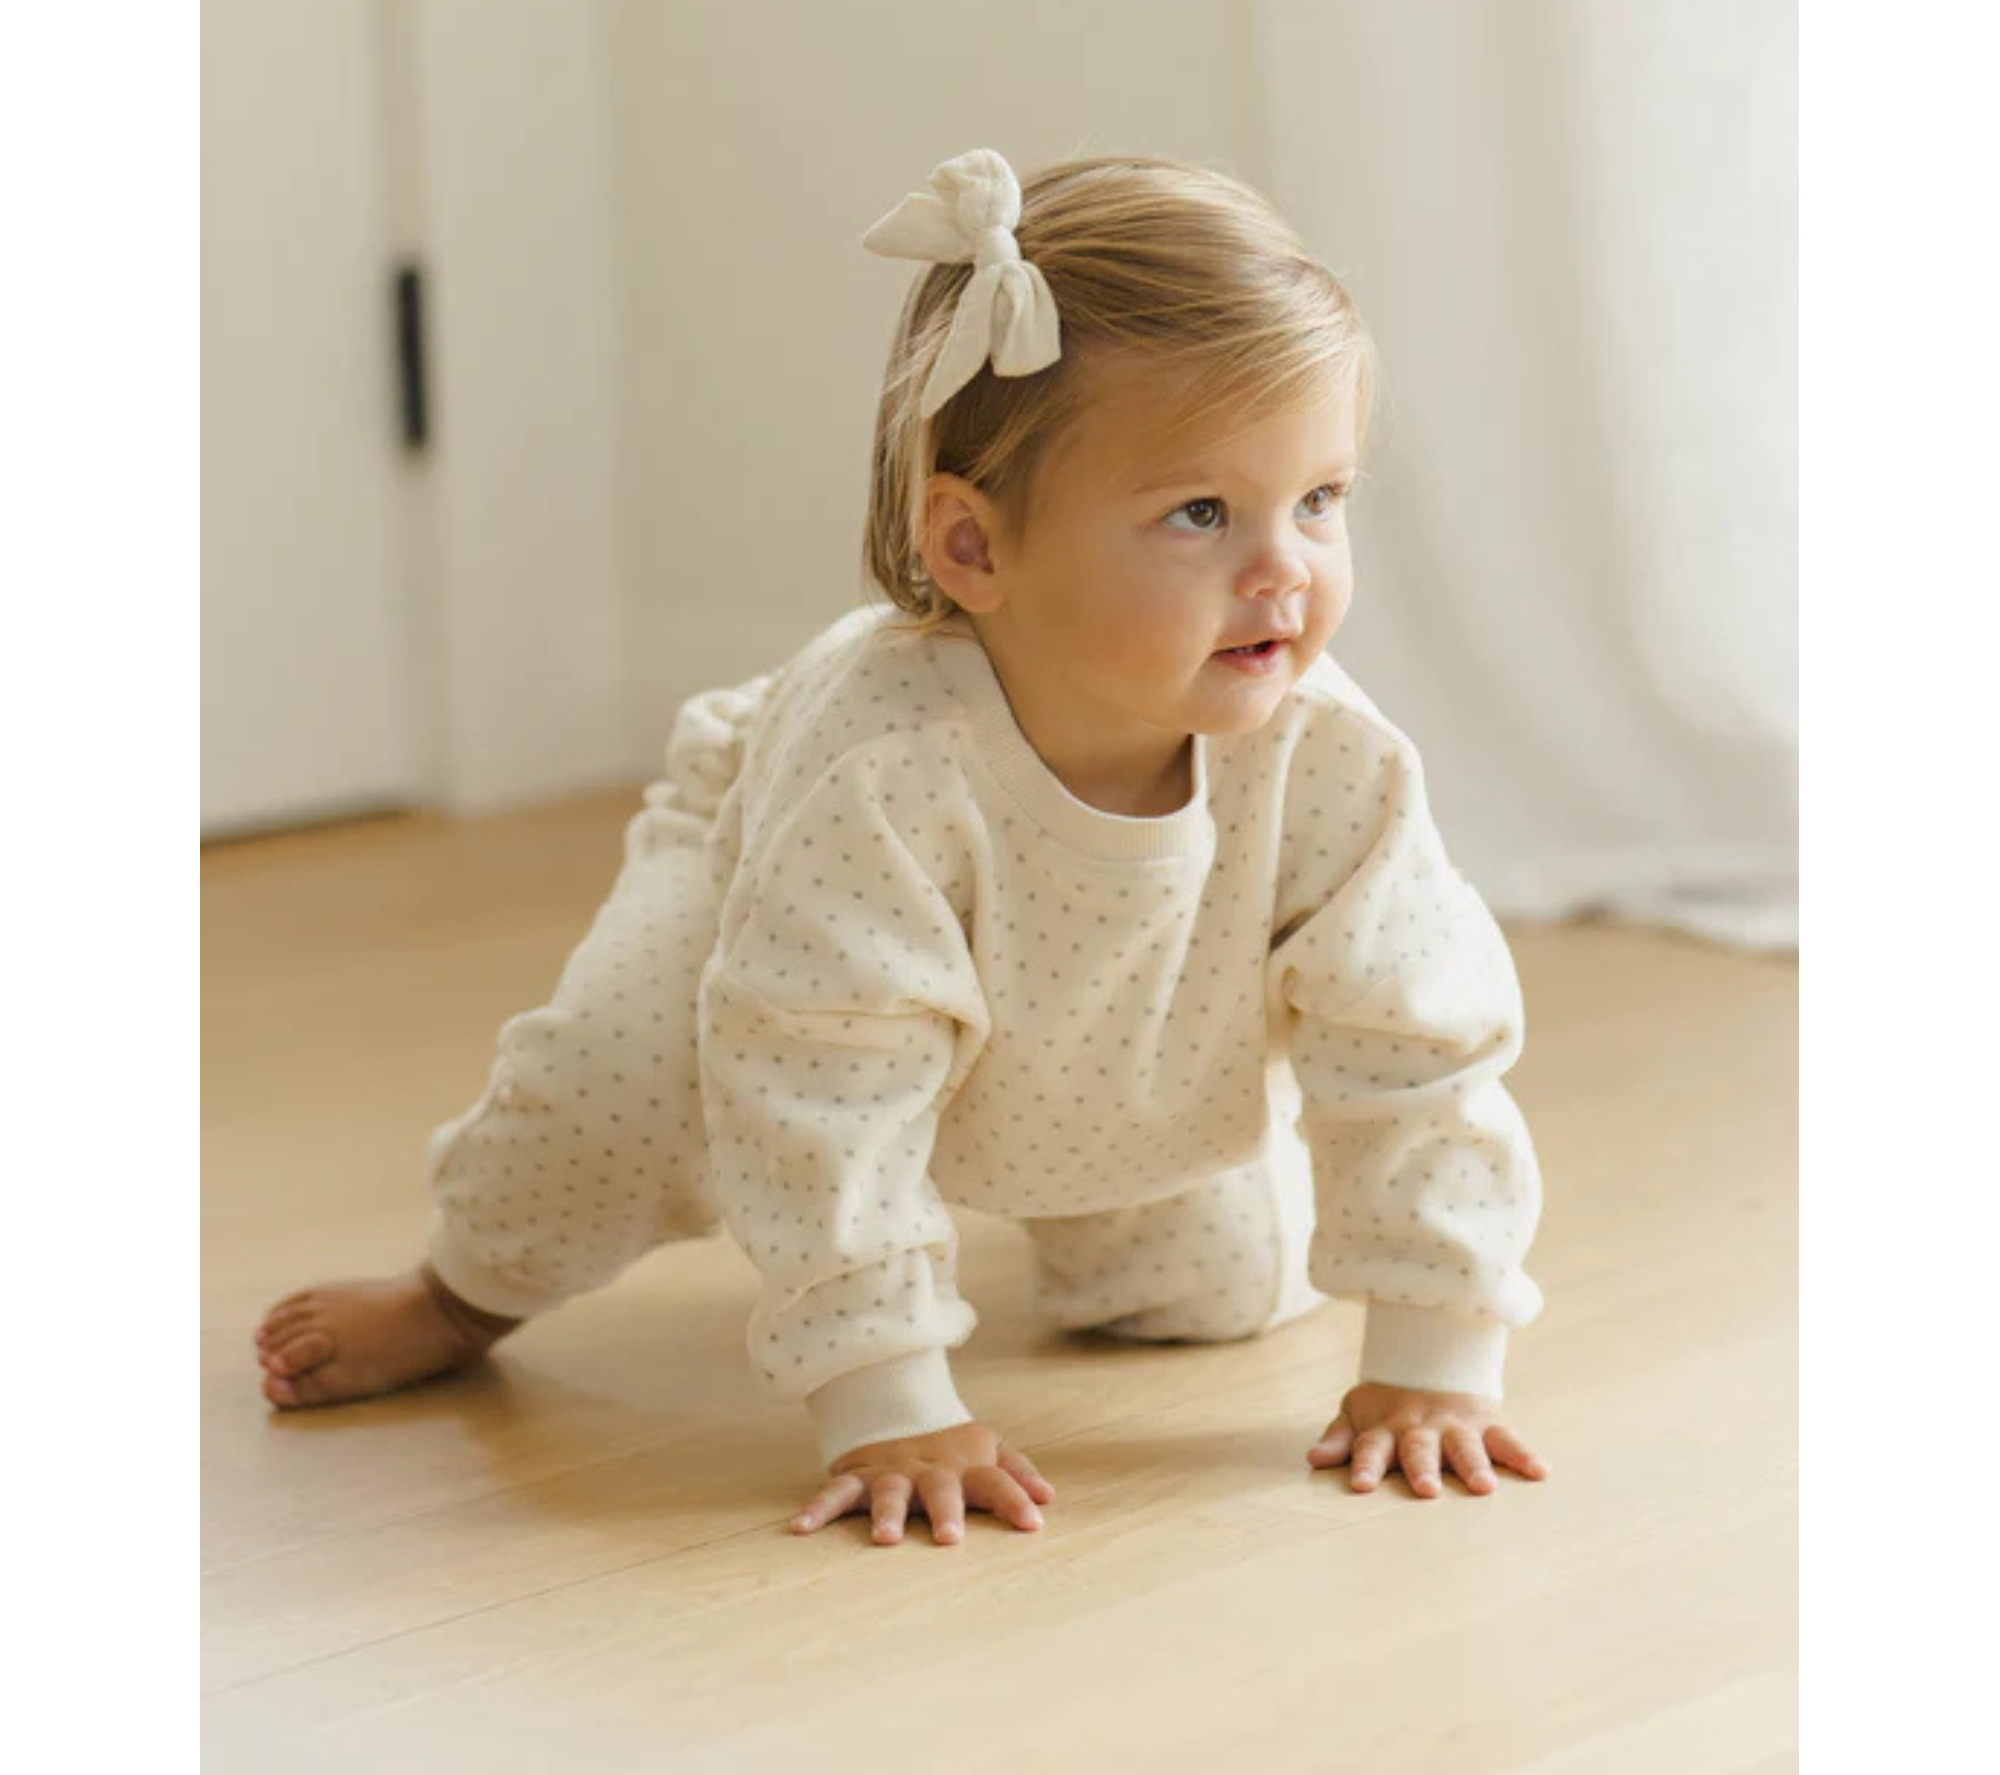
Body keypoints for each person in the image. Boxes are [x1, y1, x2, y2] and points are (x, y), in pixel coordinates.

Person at [254, 146, 1552, 1546]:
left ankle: (1105, 1194)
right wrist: (886, 1394)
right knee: (612, 1090)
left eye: (1320, 500)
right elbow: (819, 1081)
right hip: (774, 899)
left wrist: (1433, 1360)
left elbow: (1421, 1046)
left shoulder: (1334, 756)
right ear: (973, 548)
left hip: (1110, 1013)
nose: (1285, 568)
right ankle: (457, 1293)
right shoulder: (881, 770)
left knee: (1214, 1293)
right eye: (1201, 513)